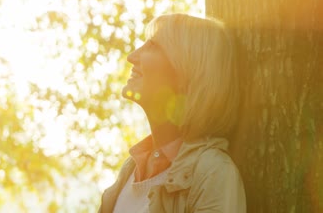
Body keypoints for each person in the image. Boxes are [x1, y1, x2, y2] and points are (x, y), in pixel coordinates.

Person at [98, 14, 246, 212]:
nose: (132, 57)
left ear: (187, 70)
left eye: (152, 46)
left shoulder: (212, 172)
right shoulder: (131, 169)